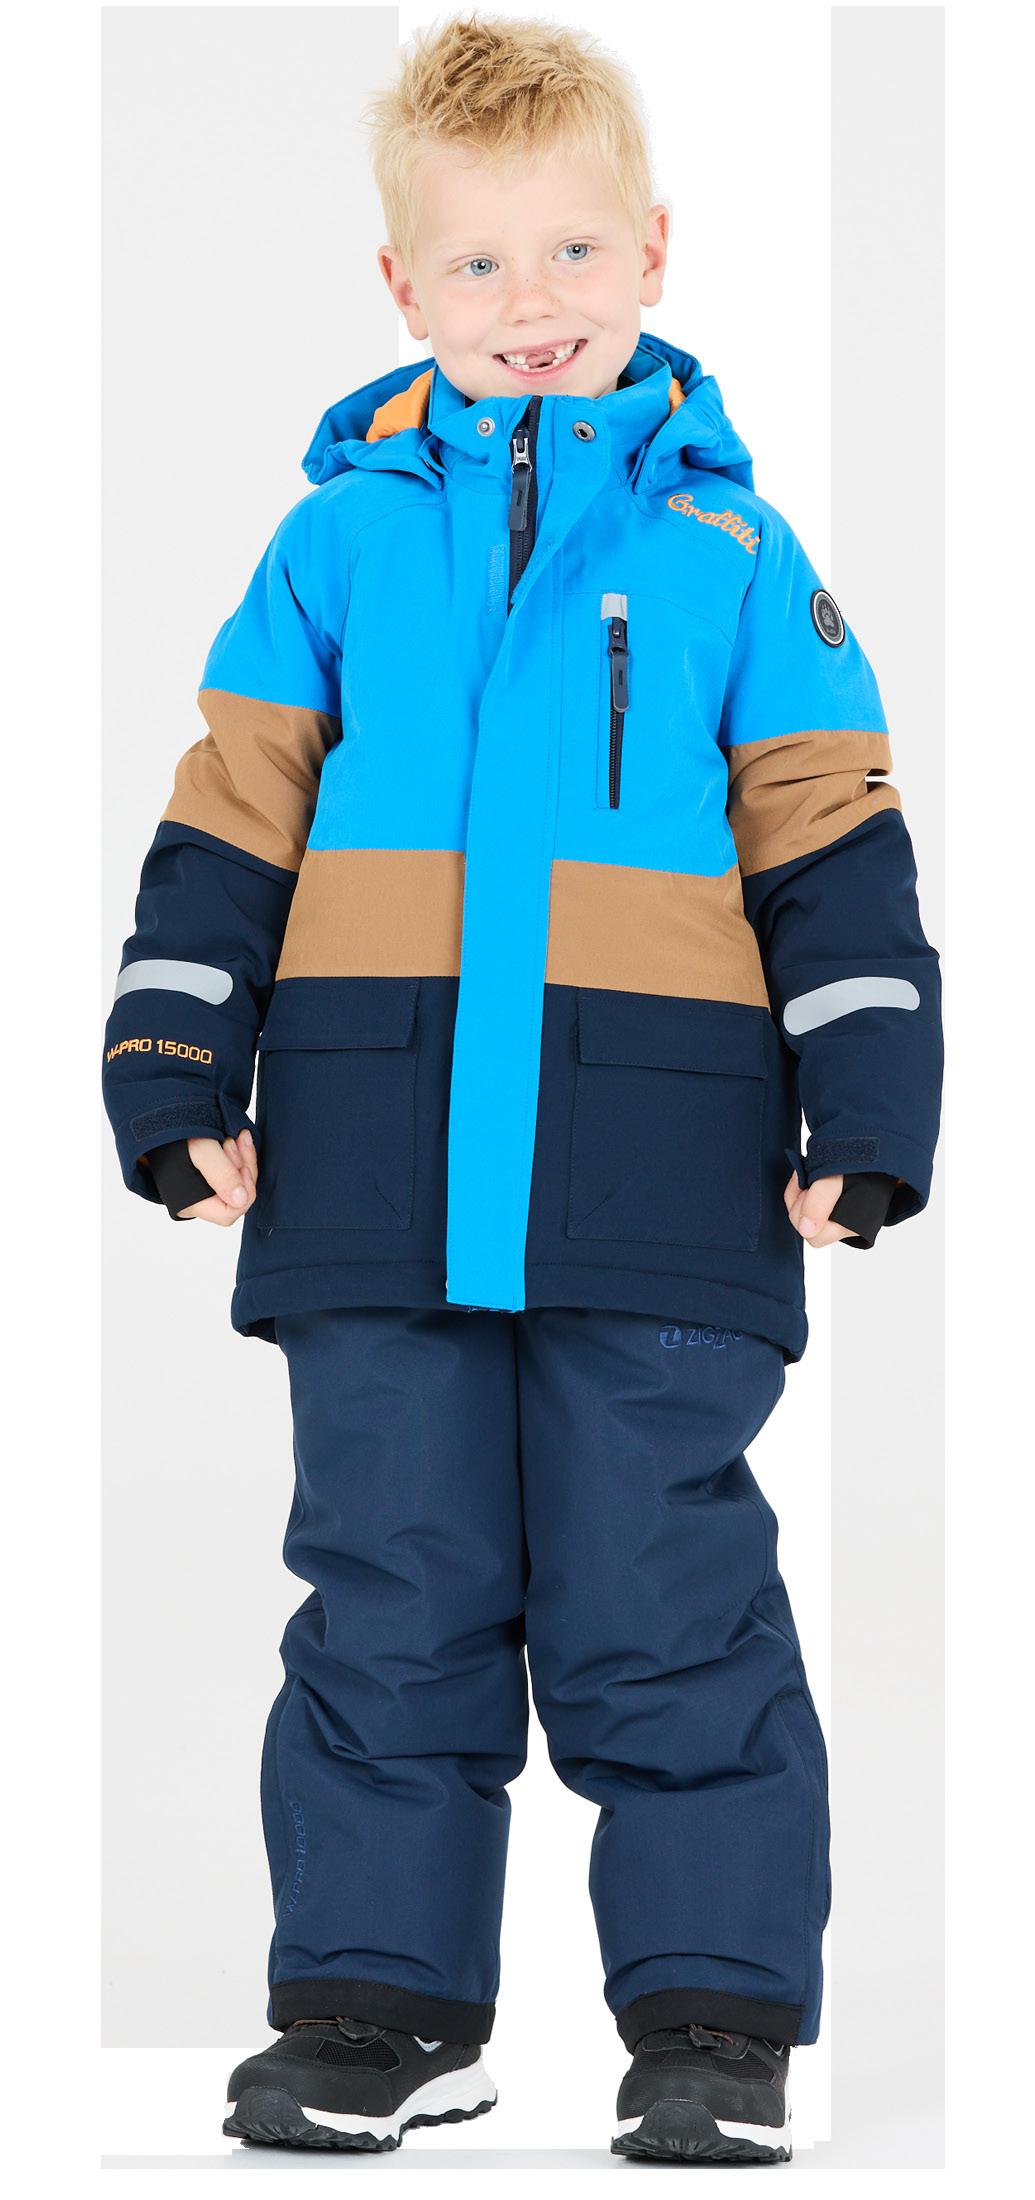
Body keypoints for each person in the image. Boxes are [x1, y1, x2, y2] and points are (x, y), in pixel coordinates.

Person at [101, 11, 943, 2165]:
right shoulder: (332, 549)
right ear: (402, 286)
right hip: (371, 1169)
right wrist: (173, 1060)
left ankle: (714, 2022)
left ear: (655, 250)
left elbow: (834, 846)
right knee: (390, 1585)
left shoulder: (734, 557)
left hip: (657, 1171)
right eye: (478, 263)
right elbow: (225, 827)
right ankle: (378, 2006)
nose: (531, 298)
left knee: (665, 1597)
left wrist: (865, 1109)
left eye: (573, 249)